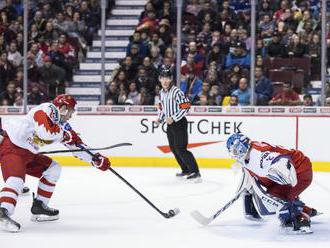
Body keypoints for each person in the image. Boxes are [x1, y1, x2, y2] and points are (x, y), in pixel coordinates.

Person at [0, 94, 111, 232]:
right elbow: (45, 132)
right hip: (12, 147)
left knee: (53, 169)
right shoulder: (47, 109)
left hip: (29, 153)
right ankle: (3, 212)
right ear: (63, 107)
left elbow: (77, 146)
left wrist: (95, 158)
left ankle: (39, 207)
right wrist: (64, 135)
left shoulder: (61, 124)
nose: (70, 116)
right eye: (70, 111)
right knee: (16, 180)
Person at [226, 133, 317, 234]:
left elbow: (284, 163)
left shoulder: (258, 154)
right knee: (273, 199)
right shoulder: (250, 153)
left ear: (241, 148)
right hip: (294, 171)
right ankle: (303, 209)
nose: (233, 154)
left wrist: (286, 196)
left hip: (300, 171)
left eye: (234, 150)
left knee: (280, 204)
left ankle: (302, 221)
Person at [155, 68, 201, 182]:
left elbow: (186, 107)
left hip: (179, 123)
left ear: (171, 79)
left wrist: (174, 118)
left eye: (167, 78)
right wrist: (160, 119)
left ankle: (195, 172)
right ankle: (185, 170)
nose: (165, 81)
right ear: (160, 79)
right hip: (170, 125)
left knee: (181, 148)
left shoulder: (177, 92)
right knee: (174, 148)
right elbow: (163, 108)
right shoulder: (161, 93)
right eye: (163, 78)